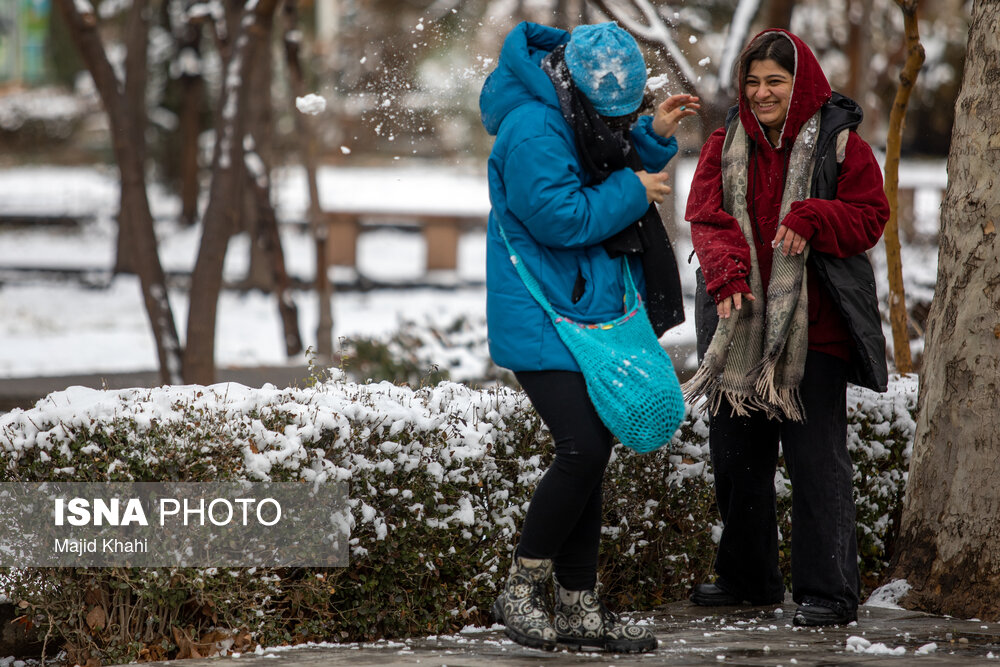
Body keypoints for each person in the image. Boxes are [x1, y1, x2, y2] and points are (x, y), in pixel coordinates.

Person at [479, 21, 697, 652]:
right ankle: (522, 586)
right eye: (618, 114)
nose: (620, 123)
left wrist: (649, 139)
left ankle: (577, 607)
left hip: (580, 309)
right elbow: (561, 215)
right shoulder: (532, 128)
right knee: (582, 448)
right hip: (543, 313)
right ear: (576, 89)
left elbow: (607, 155)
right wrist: (634, 189)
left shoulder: (568, 111)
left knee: (591, 453)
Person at [683, 28, 890, 627]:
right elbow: (707, 215)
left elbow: (868, 217)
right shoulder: (726, 140)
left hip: (814, 331)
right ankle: (750, 579)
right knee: (736, 459)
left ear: (801, 85)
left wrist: (812, 215)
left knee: (815, 464)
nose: (762, 92)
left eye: (776, 81)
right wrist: (726, 275)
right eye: (753, 81)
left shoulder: (840, 143)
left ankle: (828, 592)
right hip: (739, 324)